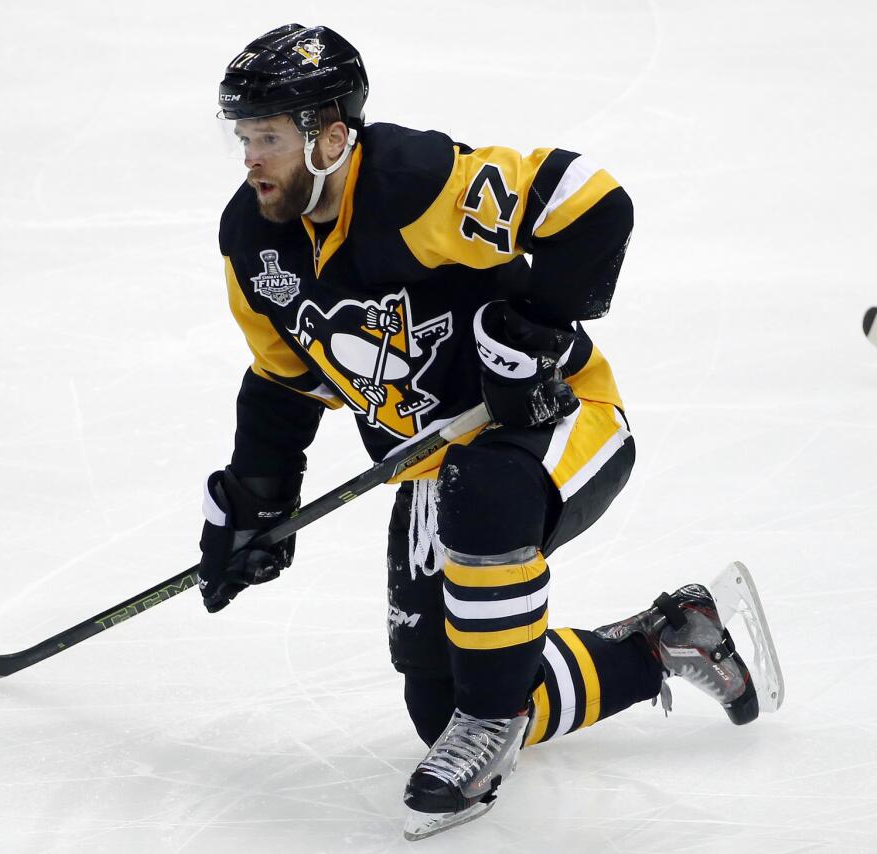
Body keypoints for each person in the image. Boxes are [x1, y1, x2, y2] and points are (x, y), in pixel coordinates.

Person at [196, 23, 776, 841]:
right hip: (439, 465)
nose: (251, 158)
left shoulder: (413, 183)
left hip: (561, 419)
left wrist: (533, 329)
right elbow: (284, 381)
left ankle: (492, 720)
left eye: (269, 138)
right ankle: (666, 641)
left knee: (484, 522)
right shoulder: (255, 242)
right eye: (244, 138)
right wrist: (255, 501)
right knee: (443, 707)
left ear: (331, 137)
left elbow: (589, 199)